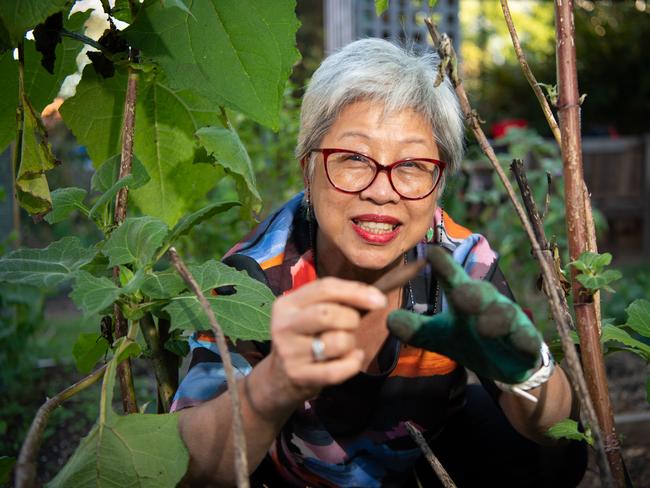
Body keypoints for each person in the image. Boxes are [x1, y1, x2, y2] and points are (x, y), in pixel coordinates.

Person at [173, 38, 587, 487]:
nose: (382, 190)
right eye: (354, 158)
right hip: (291, 481)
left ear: (439, 180)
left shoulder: (457, 262)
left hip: (417, 468)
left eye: (411, 164)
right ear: (307, 168)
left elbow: (551, 431)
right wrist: (270, 387)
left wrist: (527, 369)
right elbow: (191, 469)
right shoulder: (252, 278)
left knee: (543, 443)